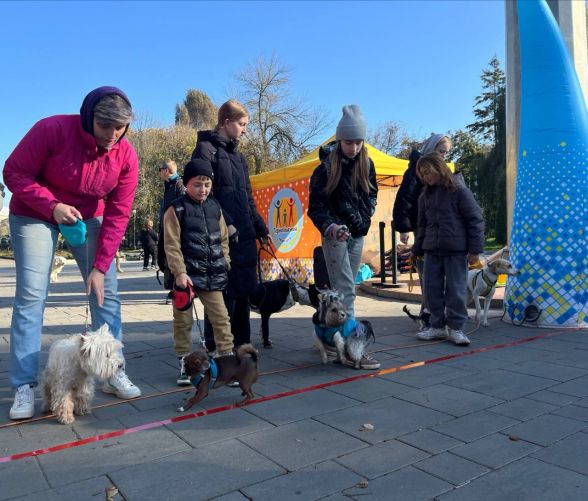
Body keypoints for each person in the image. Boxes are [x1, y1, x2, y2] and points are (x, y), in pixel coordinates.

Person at [3, 86, 142, 420]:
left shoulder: (126, 156)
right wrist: (52, 207)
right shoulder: (51, 129)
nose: (111, 135)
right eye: (104, 126)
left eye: (119, 128)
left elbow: (119, 213)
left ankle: (112, 371)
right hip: (35, 213)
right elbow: (13, 172)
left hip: (88, 215)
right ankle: (24, 385)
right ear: (88, 117)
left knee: (105, 290)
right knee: (32, 295)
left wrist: (100, 265)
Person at [191, 100, 269, 352]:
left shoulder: (239, 156)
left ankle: (243, 348)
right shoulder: (205, 150)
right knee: (222, 296)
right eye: (242, 124)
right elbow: (204, 195)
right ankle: (217, 349)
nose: (245, 130)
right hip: (220, 236)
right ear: (226, 123)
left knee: (243, 294)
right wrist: (228, 224)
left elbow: (247, 196)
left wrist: (260, 228)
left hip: (245, 235)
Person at [308, 104, 380, 370]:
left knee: (341, 290)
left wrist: (367, 214)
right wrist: (331, 227)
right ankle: (354, 347)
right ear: (339, 140)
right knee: (346, 288)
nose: (354, 147)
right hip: (335, 236)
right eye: (349, 142)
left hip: (358, 233)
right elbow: (315, 208)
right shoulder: (325, 169)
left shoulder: (367, 164)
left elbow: (373, 193)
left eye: (358, 142)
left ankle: (328, 334)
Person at [163, 158, 235, 385]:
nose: (202, 189)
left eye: (206, 184)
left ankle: (227, 362)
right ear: (186, 184)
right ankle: (185, 365)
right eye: (197, 184)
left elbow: (223, 238)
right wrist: (179, 272)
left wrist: (226, 260)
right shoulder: (176, 209)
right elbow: (171, 244)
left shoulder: (216, 207)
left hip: (213, 274)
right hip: (185, 278)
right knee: (183, 322)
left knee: (221, 319)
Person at [411, 152, 484, 346]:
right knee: (431, 289)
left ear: (440, 168)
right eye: (423, 174)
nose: (426, 177)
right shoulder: (424, 196)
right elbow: (422, 225)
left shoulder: (459, 191)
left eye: (429, 172)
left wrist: (474, 250)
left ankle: (456, 328)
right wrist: (416, 249)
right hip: (431, 250)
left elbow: (475, 220)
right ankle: (437, 326)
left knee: (456, 289)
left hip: (456, 250)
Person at [392, 133, 453, 330]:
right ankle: (428, 312)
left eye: (446, 153)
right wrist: (403, 227)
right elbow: (404, 199)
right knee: (427, 271)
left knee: (439, 271)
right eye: (441, 152)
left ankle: (435, 310)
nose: (443, 156)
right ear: (431, 150)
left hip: (440, 227)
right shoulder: (416, 170)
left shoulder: (442, 171)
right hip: (423, 226)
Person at [158, 159, 186, 304]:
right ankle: (174, 288)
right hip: (167, 228)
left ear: (166, 171)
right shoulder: (170, 185)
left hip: (175, 230)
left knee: (174, 257)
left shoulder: (178, 185)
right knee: (167, 258)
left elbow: (182, 208)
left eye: (160, 169)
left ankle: (177, 289)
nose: (159, 172)